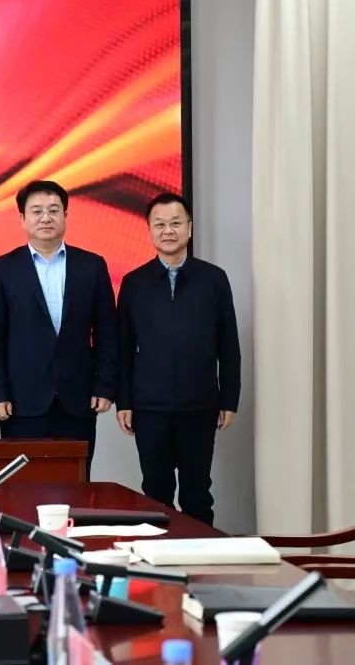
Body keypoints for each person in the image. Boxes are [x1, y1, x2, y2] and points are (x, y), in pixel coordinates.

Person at [116, 192, 240, 526]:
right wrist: (124, 401)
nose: (168, 231)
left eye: (175, 223)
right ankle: (158, 557)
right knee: (155, 491)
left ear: (189, 228)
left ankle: (200, 555)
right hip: (149, 406)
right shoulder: (134, 283)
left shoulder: (213, 279)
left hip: (200, 404)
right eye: (159, 225)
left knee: (197, 493)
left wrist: (229, 399)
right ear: (149, 230)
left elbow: (229, 344)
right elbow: (123, 348)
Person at [0, 180, 117, 477]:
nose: (46, 218)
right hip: (21, 400)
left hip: (78, 397)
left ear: (65, 216)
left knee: (76, 480)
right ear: (22, 218)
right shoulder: (2, 269)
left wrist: (105, 385)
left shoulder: (91, 266)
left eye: (54, 210)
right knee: (24, 484)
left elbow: (107, 331)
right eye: (37, 211)